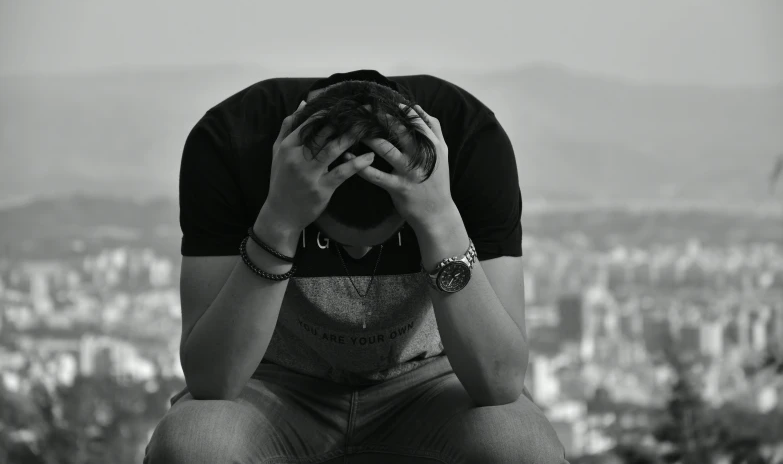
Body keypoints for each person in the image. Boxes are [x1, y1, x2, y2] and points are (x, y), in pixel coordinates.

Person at [143, 69, 568, 463]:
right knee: (195, 445)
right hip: (271, 382)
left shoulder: (470, 138)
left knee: (523, 448)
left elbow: (500, 382)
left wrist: (439, 220)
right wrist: (280, 220)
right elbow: (212, 381)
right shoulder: (233, 141)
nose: (361, 256)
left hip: (432, 380)